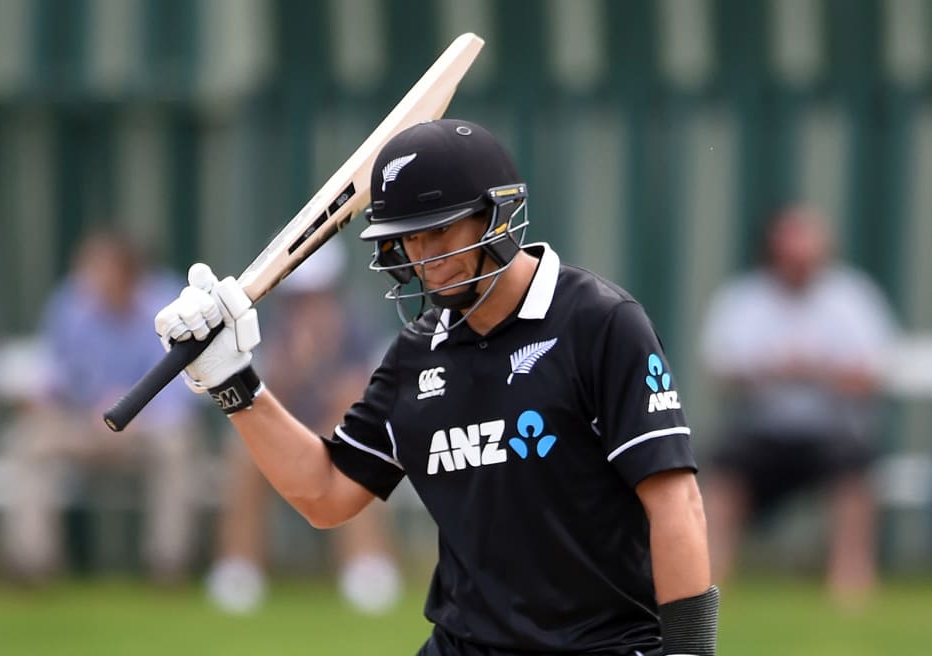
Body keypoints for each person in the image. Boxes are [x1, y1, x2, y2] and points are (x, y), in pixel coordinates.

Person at [152, 119, 718, 655]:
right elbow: (327, 493)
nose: (426, 260)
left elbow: (675, 502)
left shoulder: (600, 323)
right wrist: (234, 382)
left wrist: (690, 651)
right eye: (408, 241)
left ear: (496, 216)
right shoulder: (414, 356)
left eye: (440, 232)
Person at [698, 205, 895, 605]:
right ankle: (711, 577)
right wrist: (771, 370)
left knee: (854, 468)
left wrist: (818, 372)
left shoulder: (852, 297)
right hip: (765, 430)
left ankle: (850, 581)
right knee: (720, 466)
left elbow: (874, 374)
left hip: (832, 430)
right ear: (774, 250)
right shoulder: (744, 298)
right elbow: (722, 370)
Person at [205, 237, 403, 615]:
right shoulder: (269, 328)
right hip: (287, 436)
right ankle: (239, 566)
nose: (308, 304)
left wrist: (319, 360)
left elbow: (358, 401)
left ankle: (365, 564)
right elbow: (264, 402)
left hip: (339, 435)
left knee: (350, 448)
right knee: (244, 453)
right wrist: (296, 365)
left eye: (317, 294)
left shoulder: (356, 327)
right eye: (301, 296)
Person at [0, 227, 204, 584]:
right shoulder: (70, 303)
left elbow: (185, 383)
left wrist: (137, 411)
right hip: (85, 426)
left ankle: (168, 565)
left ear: (128, 273)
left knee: (179, 444)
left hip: (146, 427)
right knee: (26, 440)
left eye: (99, 271)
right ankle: (31, 563)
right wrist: (41, 400)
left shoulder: (168, 305)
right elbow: (55, 374)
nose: (90, 281)